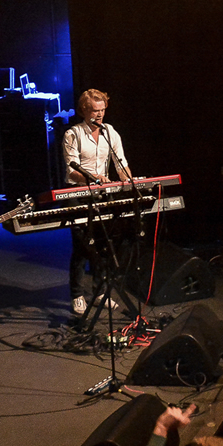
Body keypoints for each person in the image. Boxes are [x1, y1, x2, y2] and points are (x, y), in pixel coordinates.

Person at [62, 88, 132, 314]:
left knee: (105, 243)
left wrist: (131, 182)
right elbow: (71, 170)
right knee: (82, 245)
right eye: (95, 110)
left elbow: (120, 163)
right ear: (84, 110)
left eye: (102, 110)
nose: (100, 114)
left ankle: (100, 291)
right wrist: (93, 178)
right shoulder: (73, 134)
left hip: (103, 193)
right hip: (78, 193)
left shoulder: (110, 132)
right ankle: (77, 294)